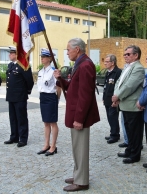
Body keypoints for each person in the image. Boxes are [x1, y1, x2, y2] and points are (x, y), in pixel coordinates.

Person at [53, 38, 100, 192]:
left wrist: (79, 119)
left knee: (80, 148)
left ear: (77, 49)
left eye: (68, 50)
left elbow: (85, 95)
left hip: (80, 116)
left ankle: (82, 181)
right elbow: (73, 87)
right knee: (76, 148)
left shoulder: (85, 65)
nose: (67, 53)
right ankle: (78, 174)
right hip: (76, 114)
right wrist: (60, 79)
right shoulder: (80, 63)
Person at [112, 45, 145, 164]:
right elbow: (119, 83)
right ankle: (129, 150)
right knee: (128, 130)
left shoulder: (138, 68)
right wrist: (116, 96)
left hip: (133, 106)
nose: (125, 56)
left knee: (135, 132)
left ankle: (135, 155)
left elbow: (130, 86)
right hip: (125, 104)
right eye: (124, 54)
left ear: (136, 55)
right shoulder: (127, 67)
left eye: (128, 54)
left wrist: (118, 96)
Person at [4, 46, 34, 147]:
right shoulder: (10, 65)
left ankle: (23, 138)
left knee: (21, 118)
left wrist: (26, 92)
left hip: (20, 96)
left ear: (16, 54)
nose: (9, 55)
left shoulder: (24, 65)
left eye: (11, 53)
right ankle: (14, 136)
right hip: (11, 96)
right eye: (10, 53)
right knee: (13, 118)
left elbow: (29, 81)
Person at [37, 48, 60, 155]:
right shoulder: (41, 71)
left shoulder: (53, 71)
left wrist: (57, 99)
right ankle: (46, 144)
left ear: (50, 59)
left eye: (44, 57)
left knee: (52, 123)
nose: (42, 59)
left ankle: (53, 146)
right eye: (42, 57)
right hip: (43, 97)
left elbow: (58, 86)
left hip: (51, 97)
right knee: (46, 122)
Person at [103, 54, 122, 144]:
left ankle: (115, 135)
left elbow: (118, 87)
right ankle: (112, 133)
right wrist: (103, 97)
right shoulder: (108, 72)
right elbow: (106, 86)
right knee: (109, 117)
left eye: (107, 62)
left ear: (113, 63)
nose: (105, 63)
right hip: (107, 99)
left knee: (113, 117)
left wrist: (117, 99)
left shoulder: (118, 72)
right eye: (105, 61)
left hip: (113, 100)